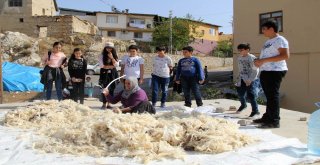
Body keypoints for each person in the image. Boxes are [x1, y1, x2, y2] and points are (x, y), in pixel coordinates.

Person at [253, 20, 290, 128]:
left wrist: (263, 61)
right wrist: (259, 61)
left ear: (271, 29)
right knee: (269, 96)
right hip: (266, 71)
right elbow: (268, 57)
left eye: (264, 29)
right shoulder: (268, 42)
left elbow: (285, 56)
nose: (262, 31)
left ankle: (274, 121)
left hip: (276, 71)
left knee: (273, 96)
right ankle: (267, 117)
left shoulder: (280, 40)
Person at [235, 43, 260, 118]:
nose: (240, 52)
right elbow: (241, 69)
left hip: (252, 79)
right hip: (243, 78)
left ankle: (255, 111)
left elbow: (255, 70)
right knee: (240, 94)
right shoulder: (239, 58)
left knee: (251, 95)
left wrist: (250, 80)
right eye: (239, 50)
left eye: (241, 50)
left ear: (247, 50)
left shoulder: (252, 58)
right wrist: (245, 79)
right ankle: (243, 105)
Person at [99, 42, 119, 109]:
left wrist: (112, 58)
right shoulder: (101, 55)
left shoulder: (115, 55)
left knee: (112, 89)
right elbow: (102, 66)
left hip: (113, 74)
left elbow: (116, 65)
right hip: (104, 74)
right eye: (107, 48)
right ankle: (104, 103)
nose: (109, 49)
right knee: (105, 88)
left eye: (110, 48)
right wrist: (111, 66)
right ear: (105, 48)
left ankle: (109, 103)